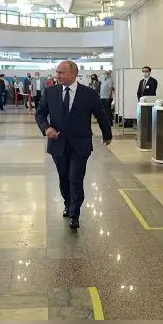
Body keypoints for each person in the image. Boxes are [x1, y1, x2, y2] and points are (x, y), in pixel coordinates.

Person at [35, 60, 113, 231]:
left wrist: (107, 134)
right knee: (64, 178)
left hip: (80, 144)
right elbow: (40, 114)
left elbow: (101, 115)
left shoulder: (89, 94)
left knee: (75, 178)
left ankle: (75, 213)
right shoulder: (50, 92)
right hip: (58, 144)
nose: (57, 76)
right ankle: (68, 202)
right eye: (57, 72)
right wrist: (46, 128)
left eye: (61, 73)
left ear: (73, 74)